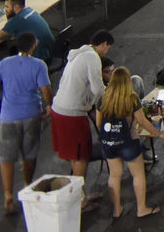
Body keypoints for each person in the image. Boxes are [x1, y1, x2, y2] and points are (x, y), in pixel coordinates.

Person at [94, 66, 164, 217]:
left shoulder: (102, 98)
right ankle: (141, 209)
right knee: (138, 175)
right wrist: (159, 133)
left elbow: (98, 123)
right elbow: (142, 121)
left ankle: (117, 209)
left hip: (108, 143)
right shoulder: (131, 98)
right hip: (127, 142)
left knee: (114, 175)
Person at [50, 29, 111, 203]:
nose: (107, 52)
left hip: (60, 110)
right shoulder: (91, 57)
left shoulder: (79, 55)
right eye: (108, 48)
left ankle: (80, 194)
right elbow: (98, 89)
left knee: (76, 156)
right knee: (80, 156)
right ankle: (81, 200)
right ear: (104, 44)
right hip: (71, 114)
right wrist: (113, 98)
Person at [0, 30, 49, 215]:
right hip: (31, 116)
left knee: (6, 158)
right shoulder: (38, 65)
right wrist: (49, 106)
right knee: (30, 154)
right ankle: (28, 186)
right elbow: (45, 90)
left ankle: (8, 196)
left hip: (8, 118)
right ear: (33, 46)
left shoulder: (3, 63)